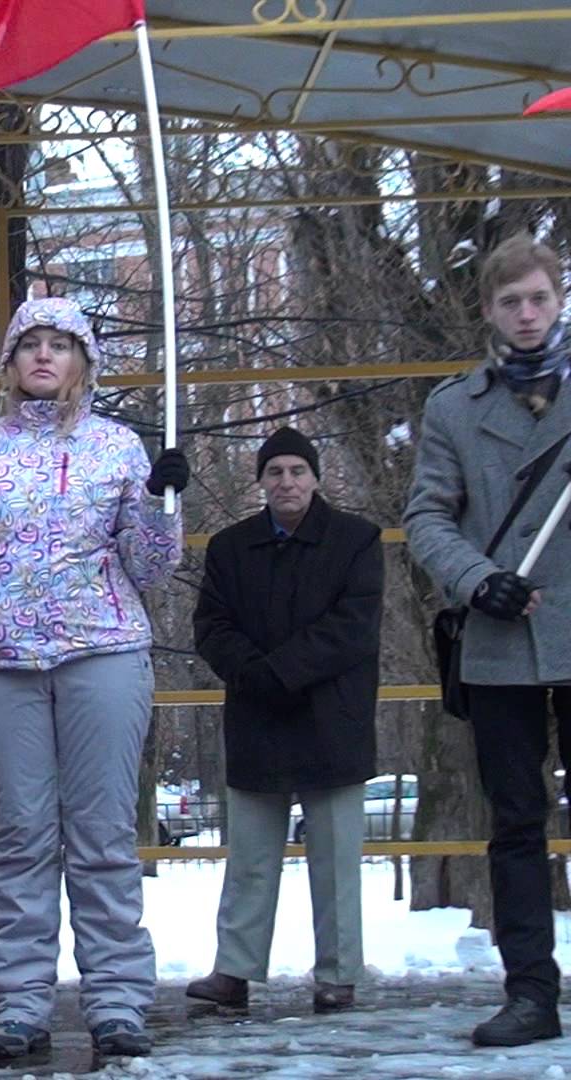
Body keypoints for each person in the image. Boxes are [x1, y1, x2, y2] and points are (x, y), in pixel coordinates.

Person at [0, 296, 187, 1062]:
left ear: (81, 361)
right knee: (19, 836)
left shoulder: (118, 447)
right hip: (2, 661)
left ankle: (118, 1000)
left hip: (103, 651)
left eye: (58, 345)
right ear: (9, 364)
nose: (42, 356)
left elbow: (153, 569)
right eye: (28, 344)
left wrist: (164, 503)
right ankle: (22, 1002)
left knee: (101, 836)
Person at [405, 233, 571, 1048]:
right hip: (502, 642)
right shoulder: (453, 409)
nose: (528, 314)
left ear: (560, 296)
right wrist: (477, 580)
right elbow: (428, 515)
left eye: (539, 297)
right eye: (512, 302)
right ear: (489, 311)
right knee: (515, 823)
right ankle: (530, 993)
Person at [187, 426, 383, 1015]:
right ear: (261, 481)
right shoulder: (229, 547)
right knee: (249, 857)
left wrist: (284, 671)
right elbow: (211, 627)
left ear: (316, 477)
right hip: (257, 715)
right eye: (275, 472)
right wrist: (258, 674)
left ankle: (338, 974)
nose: (287, 482)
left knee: (335, 858)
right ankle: (235, 971)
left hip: (333, 717)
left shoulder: (357, 540)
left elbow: (353, 626)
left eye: (297, 470)